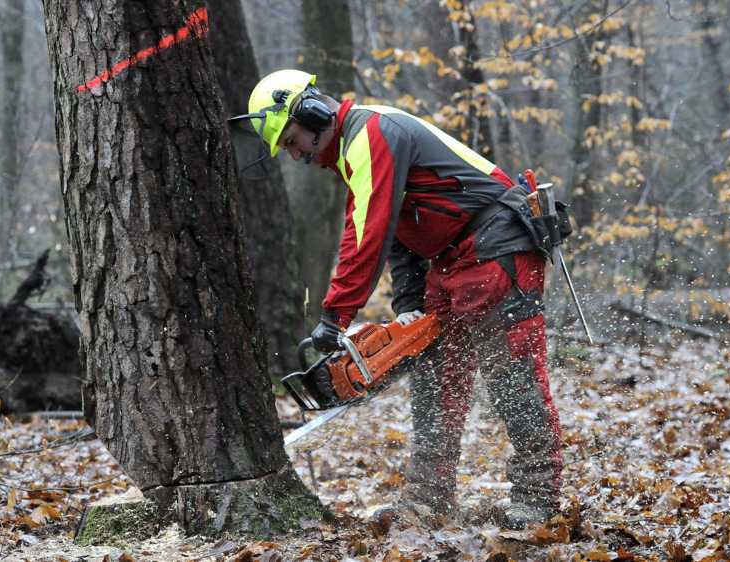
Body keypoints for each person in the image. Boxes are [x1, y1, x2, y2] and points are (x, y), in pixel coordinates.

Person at [231, 69, 564, 529]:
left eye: (292, 141)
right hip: (448, 262)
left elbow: (367, 230)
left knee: (513, 379)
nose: (295, 154)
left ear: (311, 114)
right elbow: (394, 228)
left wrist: (335, 316)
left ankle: (537, 499)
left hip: (495, 247)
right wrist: (408, 300)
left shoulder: (371, 132)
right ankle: (429, 498)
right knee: (434, 384)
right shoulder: (353, 153)